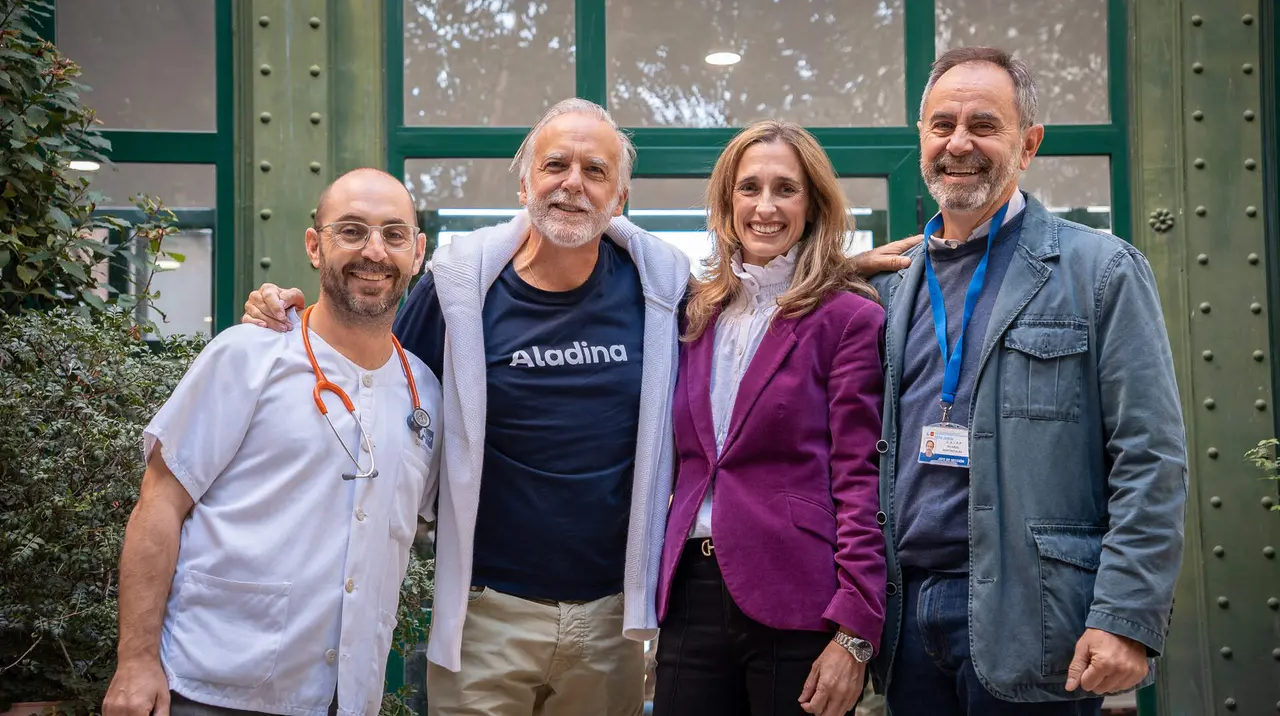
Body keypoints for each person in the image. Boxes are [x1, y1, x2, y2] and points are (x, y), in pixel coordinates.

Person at [242, 102, 923, 715]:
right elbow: (375, 368)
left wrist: (838, 270)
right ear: (524, 184)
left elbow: (764, 300)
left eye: (595, 171)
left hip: (610, 623)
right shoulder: (456, 292)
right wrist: (290, 316)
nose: (573, 184)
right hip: (487, 617)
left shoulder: (662, 292)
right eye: (556, 165)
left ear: (619, 197)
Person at [866, 46, 1188, 715]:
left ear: (1029, 144)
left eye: (984, 125)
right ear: (922, 138)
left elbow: (1150, 457)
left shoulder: (1101, 271)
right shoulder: (890, 287)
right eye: (942, 125)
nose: (959, 143)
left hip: (1037, 617)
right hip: (906, 621)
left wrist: (1126, 616)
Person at [102, 168, 442, 716]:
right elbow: (159, 504)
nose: (374, 251)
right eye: (351, 230)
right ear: (314, 245)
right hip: (214, 687)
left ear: (417, 252)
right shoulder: (247, 355)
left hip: (347, 697)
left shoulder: (425, 394)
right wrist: (136, 662)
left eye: (394, 234)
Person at [652, 121, 885, 716]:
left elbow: (860, 478)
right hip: (690, 593)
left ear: (813, 205)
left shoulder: (848, 319)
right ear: (727, 202)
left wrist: (856, 628)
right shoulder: (693, 315)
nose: (765, 206)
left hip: (798, 595)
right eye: (749, 188)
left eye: (786, 189)